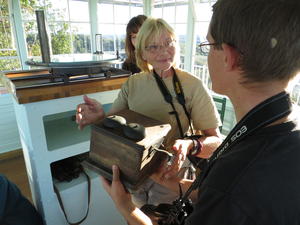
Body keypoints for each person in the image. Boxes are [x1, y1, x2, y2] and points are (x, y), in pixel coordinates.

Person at [101, 0, 300, 224]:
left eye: (208, 45)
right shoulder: (279, 137)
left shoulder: (233, 179)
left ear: (228, 56)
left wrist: (126, 208)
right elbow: (216, 192)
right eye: (153, 46)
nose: (163, 51)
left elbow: (224, 191)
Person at [76, 17, 222, 207]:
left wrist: (189, 146)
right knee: (139, 215)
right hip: (134, 170)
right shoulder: (133, 83)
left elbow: (216, 142)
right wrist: (100, 117)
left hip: (170, 173)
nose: (164, 51)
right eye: (153, 47)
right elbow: (115, 124)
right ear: (142, 54)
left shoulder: (192, 85)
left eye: (168, 43)